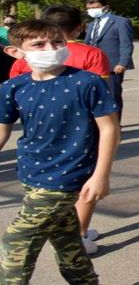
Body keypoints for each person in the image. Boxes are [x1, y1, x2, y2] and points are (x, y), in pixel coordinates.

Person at [0, 20, 120, 284]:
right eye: (39, 44)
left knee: (16, 240)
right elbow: (2, 130)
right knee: (67, 241)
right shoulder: (13, 87)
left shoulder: (87, 82)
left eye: (57, 42)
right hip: (31, 173)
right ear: (15, 52)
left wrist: (101, 175)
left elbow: (109, 129)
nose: (50, 48)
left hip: (68, 175)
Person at [84, 0, 134, 121]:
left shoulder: (121, 22)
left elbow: (126, 44)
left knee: (112, 95)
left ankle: (116, 124)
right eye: (89, 8)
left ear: (106, 7)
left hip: (112, 66)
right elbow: (87, 44)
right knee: (93, 96)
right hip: (92, 66)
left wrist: (123, 62)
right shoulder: (91, 25)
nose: (91, 10)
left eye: (95, 7)